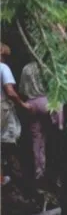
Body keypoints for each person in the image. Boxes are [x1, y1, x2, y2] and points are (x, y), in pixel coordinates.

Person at [19, 61, 65, 180]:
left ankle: (39, 171)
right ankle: (59, 123)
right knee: (59, 102)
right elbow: (54, 86)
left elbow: (22, 90)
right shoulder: (44, 66)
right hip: (44, 102)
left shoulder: (25, 68)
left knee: (37, 139)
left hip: (30, 104)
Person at [1, 44, 33, 186]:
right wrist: (22, 104)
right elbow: (10, 91)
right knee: (7, 140)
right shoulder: (3, 68)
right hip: (2, 108)